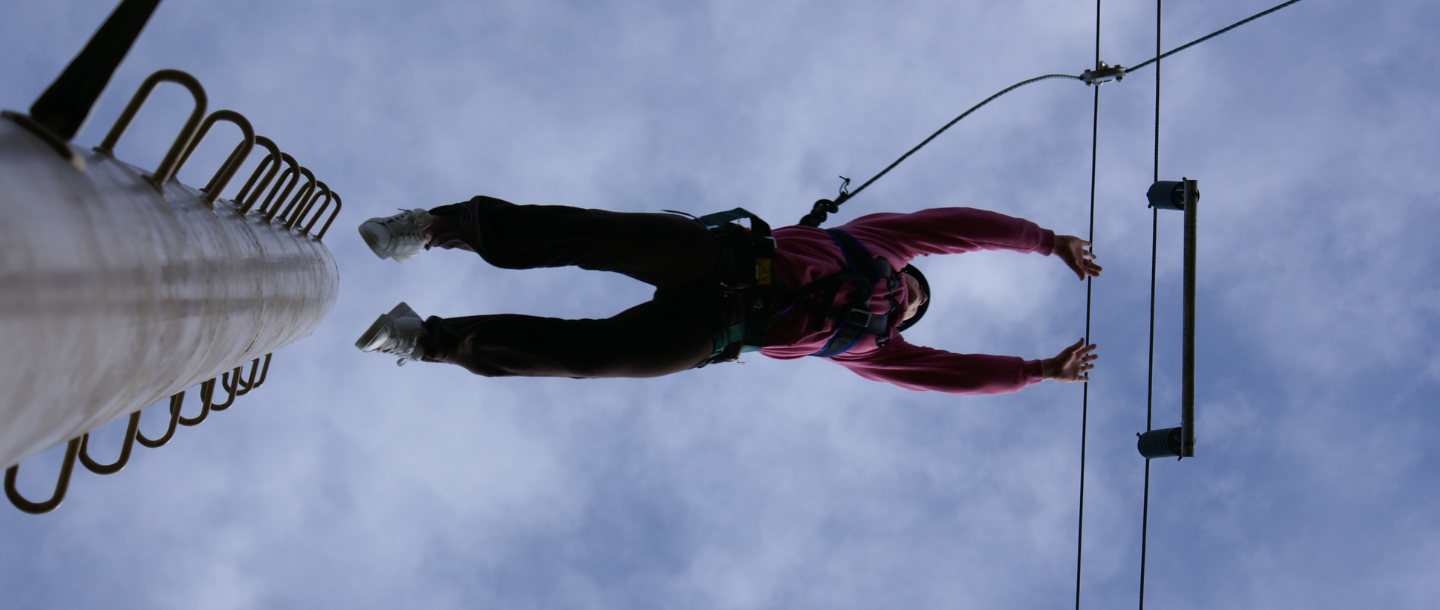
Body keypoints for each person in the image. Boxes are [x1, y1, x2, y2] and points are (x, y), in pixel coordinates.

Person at [354, 195, 1100, 395]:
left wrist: (1034, 372)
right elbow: (955, 229)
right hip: (722, 258)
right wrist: (1043, 238)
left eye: (912, 307)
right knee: (598, 237)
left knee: (594, 358)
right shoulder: (882, 245)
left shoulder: (876, 349)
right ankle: (437, 228)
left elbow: (953, 374)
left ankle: (428, 339)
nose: (906, 297)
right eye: (912, 290)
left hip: (716, 333)